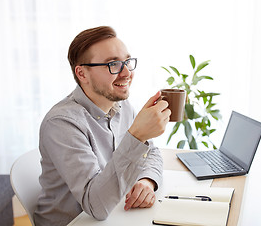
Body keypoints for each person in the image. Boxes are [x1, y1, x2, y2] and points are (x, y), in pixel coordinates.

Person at [34, 26, 170, 226]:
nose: (126, 73)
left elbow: (150, 153)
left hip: (116, 214)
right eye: (113, 64)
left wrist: (146, 181)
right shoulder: (62, 123)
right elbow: (96, 206)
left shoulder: (122, 106)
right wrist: (137, 136)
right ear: (82, 74)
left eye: (127, 62)